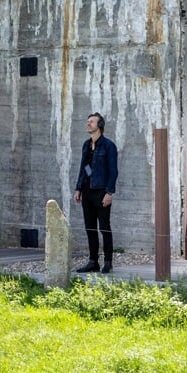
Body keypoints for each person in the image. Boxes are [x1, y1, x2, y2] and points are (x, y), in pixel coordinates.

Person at [73, 113, 118, 274]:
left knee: (104, 227)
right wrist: (78, 188)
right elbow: (83, 168)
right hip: (87, 191)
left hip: (101, 192)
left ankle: (108, 262)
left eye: (91, 122)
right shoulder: (86, 145)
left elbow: (113, 171)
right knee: (90, 228)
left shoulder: (108, 146)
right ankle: (93, 261)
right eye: (87, 121)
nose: (88, 124)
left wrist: (109, 192)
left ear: (100, 125)